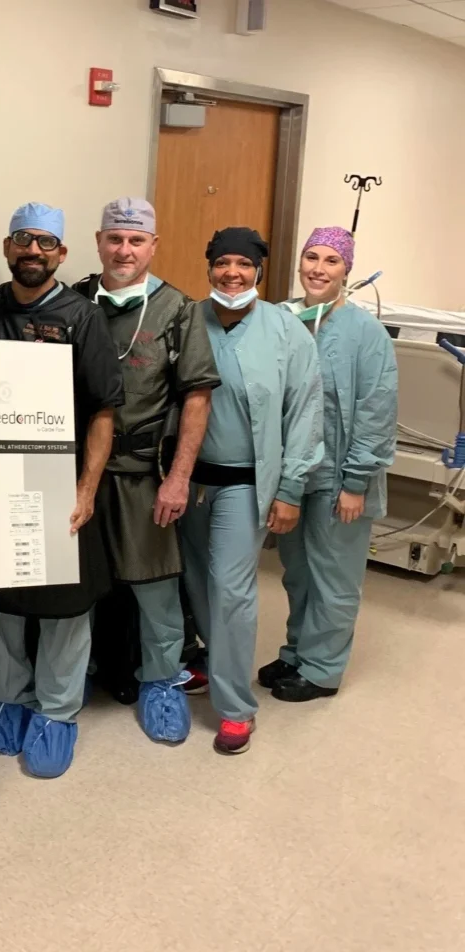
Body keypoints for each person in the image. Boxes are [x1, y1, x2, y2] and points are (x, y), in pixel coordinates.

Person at [0, 202, 124, 779]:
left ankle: (58, 711)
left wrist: (86, 490)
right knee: (1, 600)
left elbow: (104, 411)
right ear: (8, 248)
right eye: (22, 242)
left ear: (61, 254)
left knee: (63, 602)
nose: (32, 252)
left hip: (62, 481)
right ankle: (7, 698)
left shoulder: (82, 318)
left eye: (45, 245)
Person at [74, 198, 220, 743]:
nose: (125, 250)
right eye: (115, 239)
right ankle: (74, 676)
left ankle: (160, 682)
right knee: (77, 584)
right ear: (98, 241)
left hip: (142, 473)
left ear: (153, 246)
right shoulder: (73, 302)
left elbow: (198, 399)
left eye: (137, 241)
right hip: (77, 469)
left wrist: (179, 477)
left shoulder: (177, 310)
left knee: (155, 586)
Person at [179, 227, 323, 755]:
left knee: (231, 591)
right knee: (195, 583)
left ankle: (236, 708)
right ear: (209, 266)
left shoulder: (286, 332)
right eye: (222, 263)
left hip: (245, 485)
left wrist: (290, 490)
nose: (231, 273)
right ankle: (220, 667)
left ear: (259, 271)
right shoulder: (187, 319)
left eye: (243, 264)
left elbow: (305, 413)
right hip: (189, 482)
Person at [260, 227, 397, 702]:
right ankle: (298, 652)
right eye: (311, 257)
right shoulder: (282, 319)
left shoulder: (366, 333)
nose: (318, 269)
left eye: (331, 261)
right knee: (297, 573)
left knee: (333, 578)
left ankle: (322, 670)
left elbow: (377, 408)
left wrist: (357, 480)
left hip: (341, 479)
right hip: (295, 478)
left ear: (347, 271)